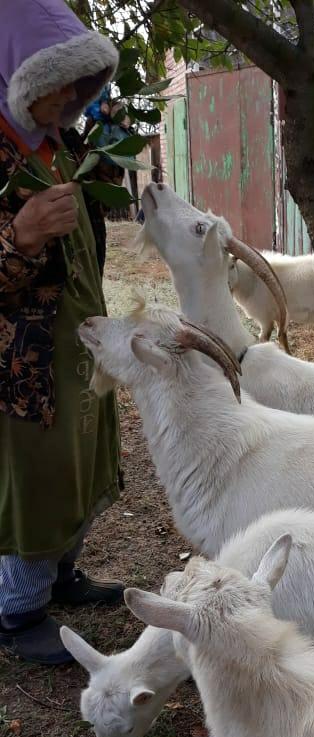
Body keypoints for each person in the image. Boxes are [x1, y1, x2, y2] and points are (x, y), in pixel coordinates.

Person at [0, 0, 124, 665]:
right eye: (55, 83)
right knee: (43, 478)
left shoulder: (55, 141)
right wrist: (19, 238)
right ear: (16, 73)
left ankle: (62, 577)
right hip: (25, 362)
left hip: (81, 338)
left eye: (81, 82)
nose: (68, 98)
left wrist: (108, 144)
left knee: (86, 458)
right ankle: (18, 612)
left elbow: (108, 198)